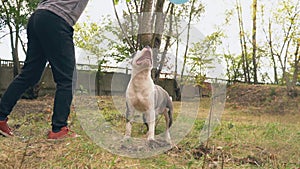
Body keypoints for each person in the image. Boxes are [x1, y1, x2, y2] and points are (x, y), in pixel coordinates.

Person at [0, 0, 90, 140]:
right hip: (57, 19)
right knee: (67, 78)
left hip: (38, 17)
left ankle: (0, 116)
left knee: (29, 75)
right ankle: (58, 128)